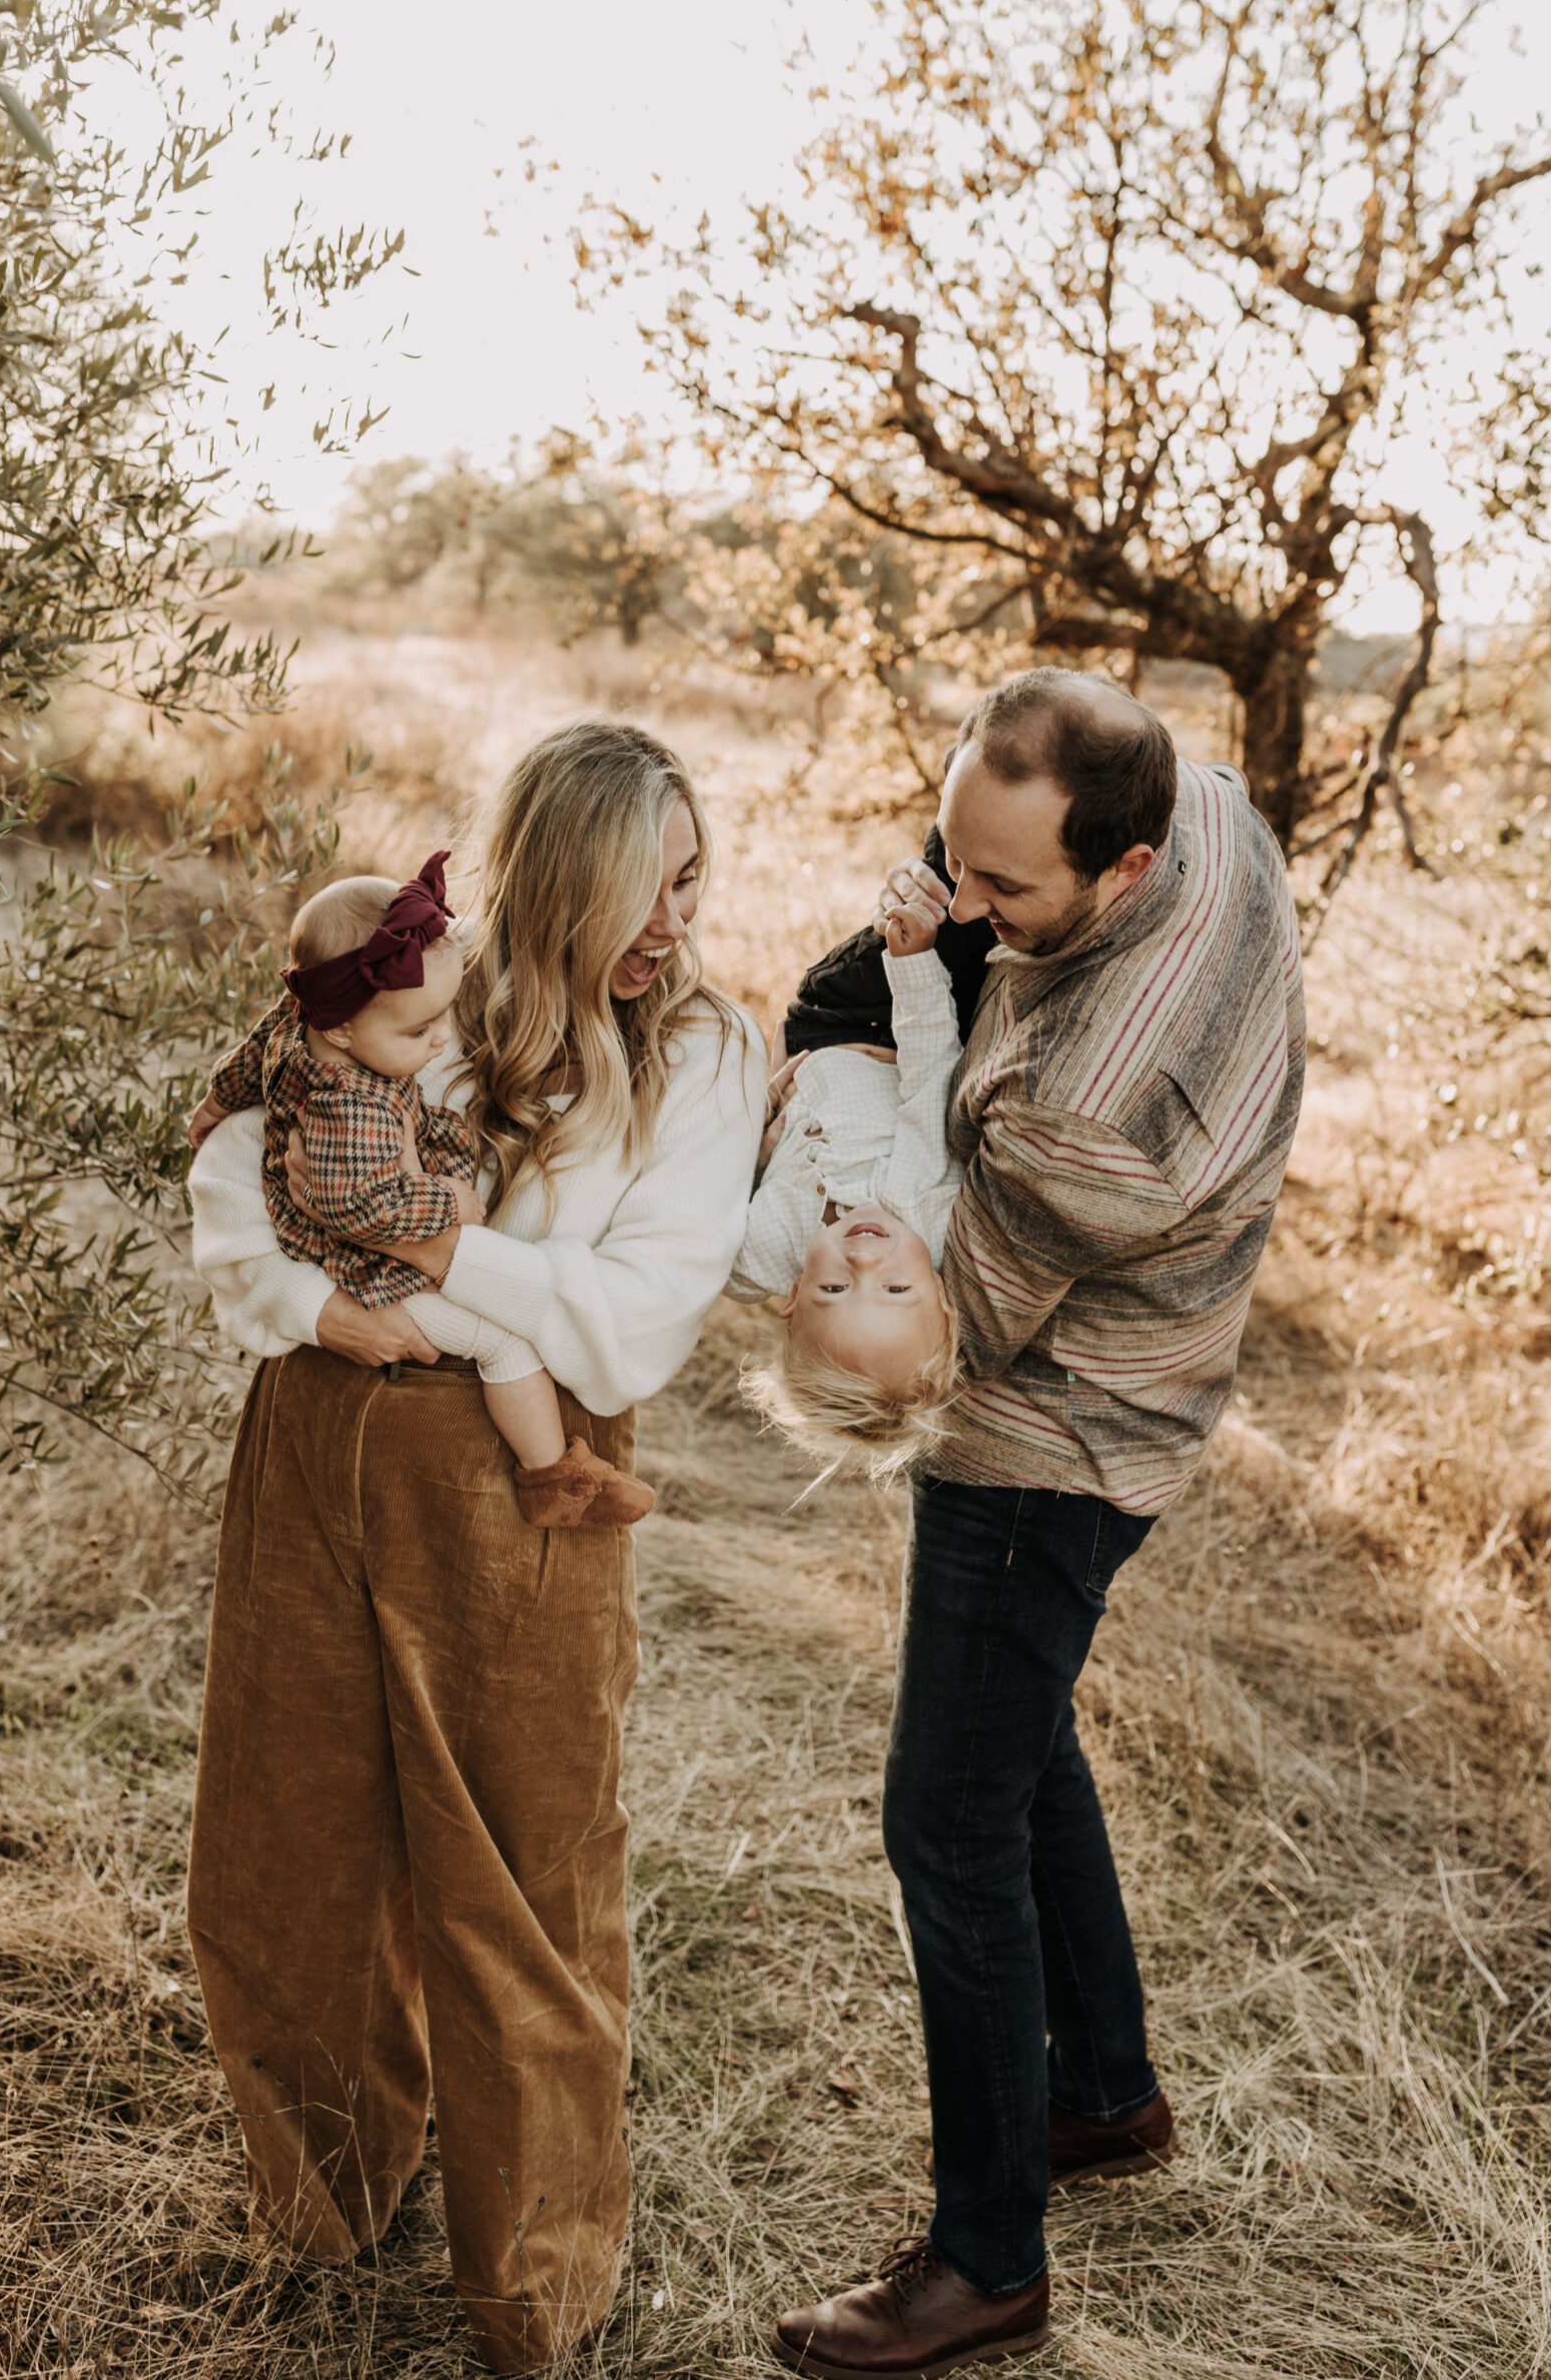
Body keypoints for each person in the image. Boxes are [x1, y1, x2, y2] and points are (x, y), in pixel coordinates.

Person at [184, 720, 766, 2372]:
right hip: (317, 1427)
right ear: (540, 887)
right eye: (632, 895)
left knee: (522, 1878)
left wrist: (431, 1258)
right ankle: (322, 2184)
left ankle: (532, 2281)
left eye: (692, 881)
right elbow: (237, 1153)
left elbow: (627, 1330)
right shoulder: (410, 977)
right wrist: (308, 1298)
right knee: (284, 1838)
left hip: (522, 1481)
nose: (671, 925)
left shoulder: (707, 1058)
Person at [773, 670, 1305, 2380]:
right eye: (957, 858)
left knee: (943, 1817)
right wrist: (952, 937)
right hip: (1140, 1366)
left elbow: (938, 1330)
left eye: (1007, 895)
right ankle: (1099, 2091)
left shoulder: (1084, 1115)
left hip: (1055, 1428)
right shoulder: (1205, 794)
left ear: (1125, 870)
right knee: (1015, 1746)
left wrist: (784, 1242)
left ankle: (988, 2254)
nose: (971, 910)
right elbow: (982, 938)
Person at [188, 851, 654, 1526]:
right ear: (341, 1026)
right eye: (418, 1030)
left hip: (371, 1240)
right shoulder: (350, 1109)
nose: (440, 1042)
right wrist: (450, 1204)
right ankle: (553, 1477)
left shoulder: (301, 1026)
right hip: (368, 1271)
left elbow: (252, 1052)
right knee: (508, 1344)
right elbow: (362, 1207)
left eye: (442, 1019)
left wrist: (211, 1104)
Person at [729, 881, 965, 1473]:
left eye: (833, 1291)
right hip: (890, 1018)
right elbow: (932, 1077)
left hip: (818, 1027)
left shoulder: (752, 1258)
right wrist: (913, 966)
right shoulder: (924, 1213)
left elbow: (706, 1189)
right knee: (949, 896)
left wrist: (756, 1127)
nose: (863, 1266)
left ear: (790, 1300)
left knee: (934, 894)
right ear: (941, 1297)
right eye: (895, 1291)